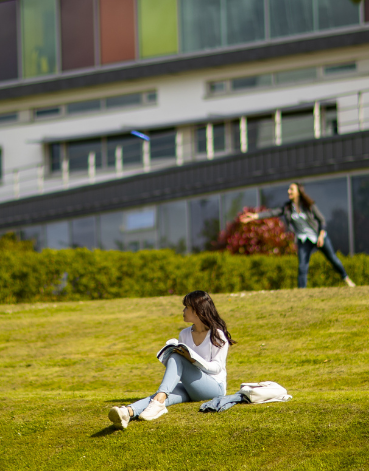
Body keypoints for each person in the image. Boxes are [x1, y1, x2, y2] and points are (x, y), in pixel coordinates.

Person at [108, 291, 234, 430]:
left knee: (176, 358)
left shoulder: (217, 335)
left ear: (197, 312)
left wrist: (192, 360)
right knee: (161, 395)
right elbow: (179, 368)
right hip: (189, 386)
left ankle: (156, 402)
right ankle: (127, 412)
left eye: (187, 307)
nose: (183, 310)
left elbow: (217, 367)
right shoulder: (184, 333)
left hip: (213, 388)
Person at [239, 183, 356, 289]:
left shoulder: (309, 205)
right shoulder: (287, 208)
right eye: (288, 190)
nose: (288, 191)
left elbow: (322, 221)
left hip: (318, 236)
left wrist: (321, 236)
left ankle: (346, 279)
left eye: (291, 189)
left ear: (298, 192)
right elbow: (272, 212)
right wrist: (255, 216)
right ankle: (302, 291)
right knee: (302, 266)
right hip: (304, 239)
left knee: (333, 260)